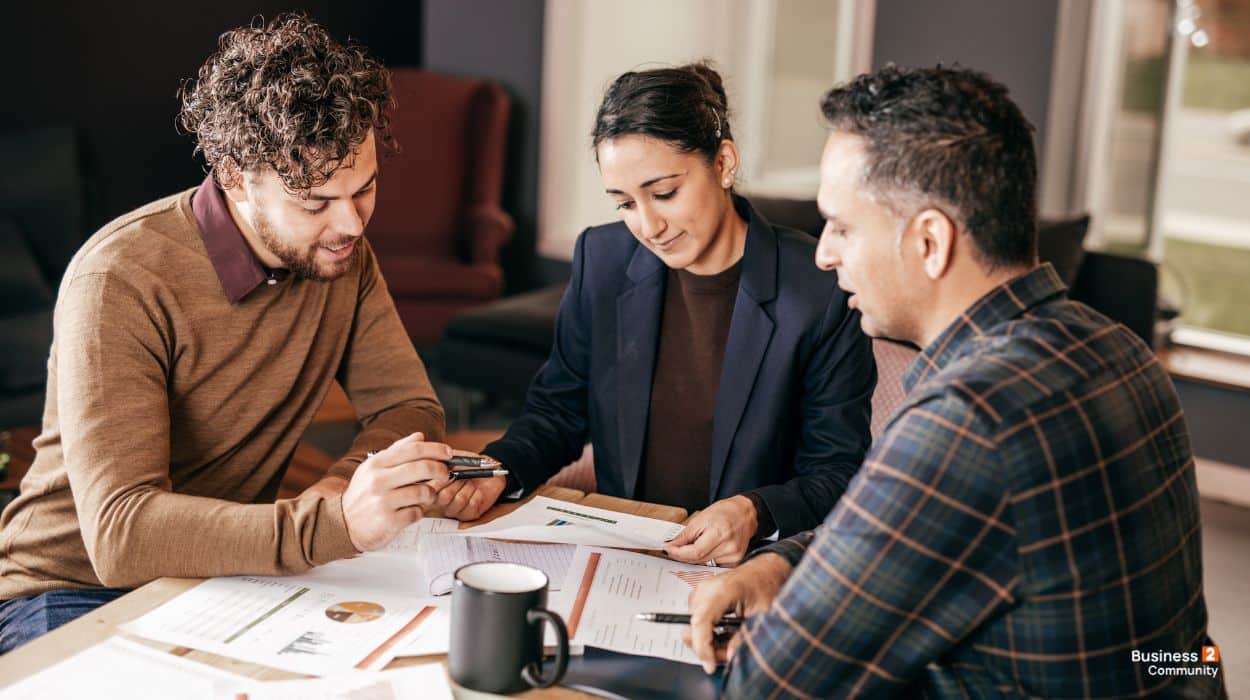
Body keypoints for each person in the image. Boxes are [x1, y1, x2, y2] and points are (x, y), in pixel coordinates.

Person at [687, 65, 1225, 698]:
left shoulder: (971, 418)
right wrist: (781, 563)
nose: (824, 253)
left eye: (842, 226)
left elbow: (769, 686)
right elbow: (1186, 658)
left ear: (931, 242)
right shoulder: (1117, 349)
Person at [0, 14, 456, 653]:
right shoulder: (121, 277)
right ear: (237, 176)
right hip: (65, 588)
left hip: (223, 575)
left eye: (365, 189)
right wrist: (332, 523)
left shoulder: (342, 257)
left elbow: (410, 406)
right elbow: (122, 534)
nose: (351, 224)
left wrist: (343, 484)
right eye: (315, 202)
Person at [433, 63, 875, 567]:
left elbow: (838, 469)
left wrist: (756, 511)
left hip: (749, 568)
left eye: (664, 193)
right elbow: (558, 410)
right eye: (624, 203)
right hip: (625, 557)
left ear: (724, 163)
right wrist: (501, 468)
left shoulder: (818, 287)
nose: (648, 225)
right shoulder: (603, 259)